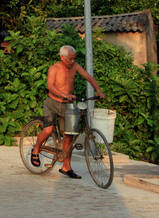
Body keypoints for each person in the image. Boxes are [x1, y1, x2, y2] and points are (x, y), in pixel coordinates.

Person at [31, 45, 105, 179]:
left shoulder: (75, 66)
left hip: (67, 106)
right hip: (52, 103)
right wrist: (63, 95)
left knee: (69, 136)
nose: (72, 61)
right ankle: (36, 149)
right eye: (70, 59)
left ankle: (66, 167)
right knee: (48, 130)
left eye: (73, 59)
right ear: (62, 57)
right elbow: (50, 86)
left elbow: (88, 77)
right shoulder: (54, 68)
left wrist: (98, 91)